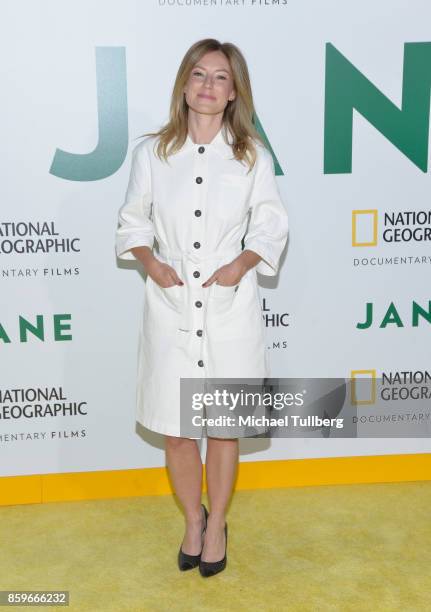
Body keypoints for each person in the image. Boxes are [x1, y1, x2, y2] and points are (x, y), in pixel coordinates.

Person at [115, 38, 289, 577]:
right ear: (184, 86)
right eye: (198, 75)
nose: (207, 86)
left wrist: (240, 266)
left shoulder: (251, 155)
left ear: (234, 91)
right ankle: (194, 519)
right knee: (175, 426)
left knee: (222, 426)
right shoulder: (153, 152)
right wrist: (151, 262)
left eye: (220, 77)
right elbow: (132, 220)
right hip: (170, 302)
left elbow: (270, 223)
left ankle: (218, 528)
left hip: (226, 300)